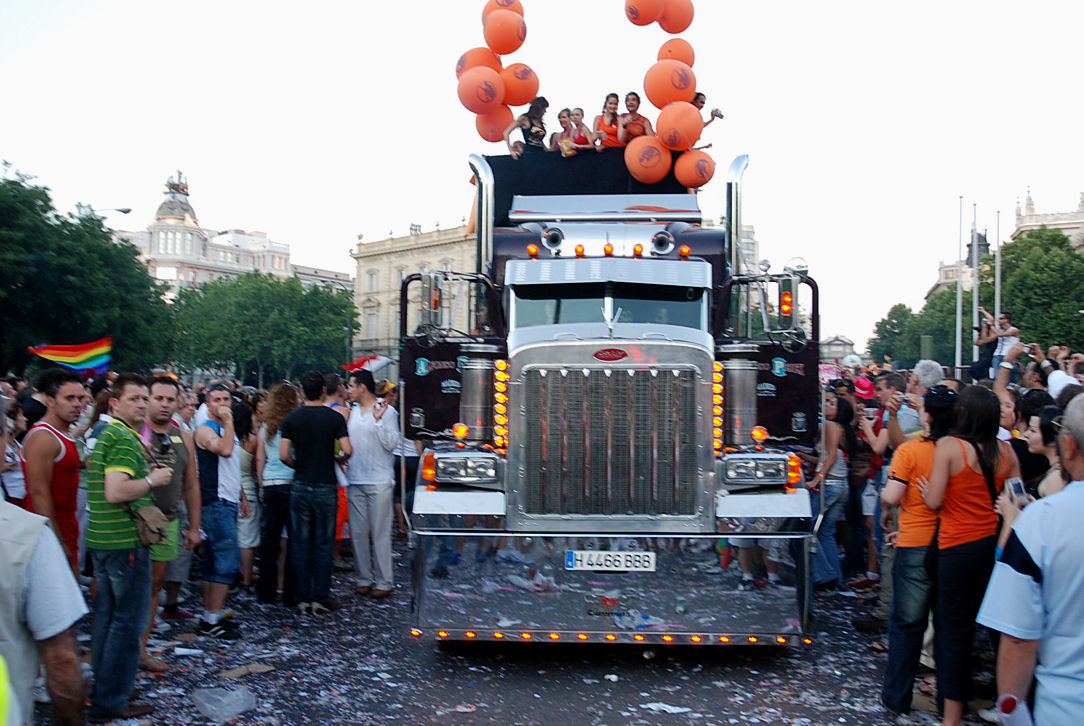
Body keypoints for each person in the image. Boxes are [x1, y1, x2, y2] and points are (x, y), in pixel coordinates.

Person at [977, 393, 1084, 725]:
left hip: (1066, 706)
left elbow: (1017, 636)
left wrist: (1013, 715)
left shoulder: (1042, 519)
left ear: (1067, 446)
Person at [922, 386, 1020, 726]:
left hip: (955, 548)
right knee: (994, 630)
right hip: (993, 548)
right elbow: (1017, 500)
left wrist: (926, 492)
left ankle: (951, 718)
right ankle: (1006, 703)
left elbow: (933, 502)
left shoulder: (950, 447)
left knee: (953, 633)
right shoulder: (1007, 453)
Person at [85, 373, 173, 721]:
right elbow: (116, 492)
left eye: (143, 398)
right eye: (134, 398)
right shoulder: (122, 437)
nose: (141, 404)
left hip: (106, 540)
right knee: (126, 623)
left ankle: (107, 689)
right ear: (115, 403)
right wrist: (154, 479)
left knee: (108, 620)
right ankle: (111, 700)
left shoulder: (110, 434)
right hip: (125, 543)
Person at [879, 385, 956, 716]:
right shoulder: (966, 452)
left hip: (915, 544)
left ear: (926, 416)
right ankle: (948, 704)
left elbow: (892, 497)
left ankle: (897, 698)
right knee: (949, 627)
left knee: (907, 625)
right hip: (955, 544)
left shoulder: (911, 452)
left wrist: (887, 502)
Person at [138, 377, 201, 672]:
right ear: (147, 399)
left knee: (154, 586)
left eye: (169, 400)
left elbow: (191, 484)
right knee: (126, 587)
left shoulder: (182, 435)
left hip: (168, 521)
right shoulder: (132, 431)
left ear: (177, 402)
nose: (164, 404)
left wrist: (194, 526)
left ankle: (141, 647)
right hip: (132, 521)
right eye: (159, 398)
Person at [280, 371, 352, 614]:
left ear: (302, 391)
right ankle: (320, 597)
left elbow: (283, 455)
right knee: (323, 544)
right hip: (326, 485)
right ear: (323, 390)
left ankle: (302, 598)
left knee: (300, 544)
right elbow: (348, 449)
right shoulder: (334, 418)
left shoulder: (291, 419)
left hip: (301, 484)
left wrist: (298, 465)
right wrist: (339, 458)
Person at [194, 383, 249, 640]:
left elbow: (231, 467)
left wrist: (242, 496)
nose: (223, 404)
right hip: (215, 501)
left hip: (228, 498)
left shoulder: (227, 429)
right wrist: (228, 423)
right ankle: (212, 619)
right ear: (207, 404)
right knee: (225, 562)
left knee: (214, 561)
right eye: (216, 399)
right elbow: (224, 451)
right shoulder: (206, 429)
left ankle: (209, 616)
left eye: (226, 399)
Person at [20, 368, 86, 575]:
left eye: (80, 398)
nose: (77, 404)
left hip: (67, 524)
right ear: (50, 401)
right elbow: (38, 493)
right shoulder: (44, 437)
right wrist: (57, 541)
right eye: (69, 398)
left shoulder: (64, 432)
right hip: (48, 530)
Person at [345, 369, 400, 598]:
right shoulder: (353, 412)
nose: (348, 390)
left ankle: (384, 581)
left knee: (380, 532)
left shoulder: (387, 410)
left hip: (379, 479)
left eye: (351, 386)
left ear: (362, 388)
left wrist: (378, 423)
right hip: (355, 477)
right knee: (358, 532)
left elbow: (392, 444)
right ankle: (363, 577)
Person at [254, 381, 299, 605]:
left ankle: (266, 592)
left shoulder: (266, 426)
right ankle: (290, 593)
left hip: (270, 483)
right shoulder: (294, 424)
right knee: (292, 540)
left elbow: (260, 457)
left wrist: (262, 484)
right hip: (290, 481)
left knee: (269, 541)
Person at [808, 390, 854, 590]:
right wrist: (801, 456)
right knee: (826, 533)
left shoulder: (830, 426)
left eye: (831, 403)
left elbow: (831, 457)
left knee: (808, 529)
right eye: (825, 401)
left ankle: (824, 574)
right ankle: (836, 580)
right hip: (841, 485)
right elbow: (824, 458)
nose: (826, 405)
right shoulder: (840, 428)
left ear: (840, 410)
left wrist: (816, 480)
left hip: (830, 485)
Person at [234, 400, 260, 593]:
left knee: (232, 536)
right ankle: (247, 577)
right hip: (248, 489)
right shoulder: (252, 440)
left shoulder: (227, 438)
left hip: (229, 490)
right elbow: (256, 465)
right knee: (247, 539)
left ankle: (233, 572)